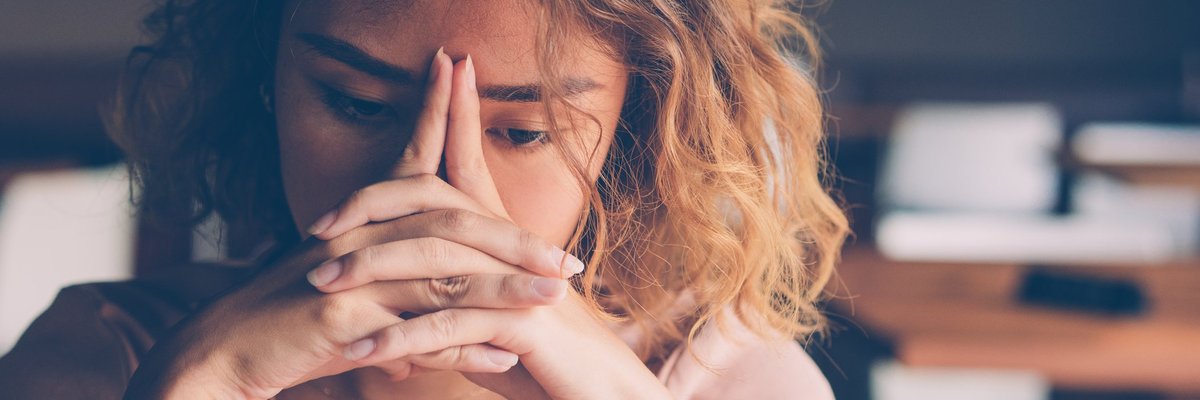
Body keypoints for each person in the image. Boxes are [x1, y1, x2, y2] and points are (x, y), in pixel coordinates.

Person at [0, 0, 848, 398]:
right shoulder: (105, 356)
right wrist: (198, 386)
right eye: (357, 104)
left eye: (526, 130)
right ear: (264, 82)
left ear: (638, 125)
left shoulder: (727, 382)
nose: (435, 185)